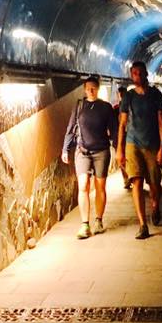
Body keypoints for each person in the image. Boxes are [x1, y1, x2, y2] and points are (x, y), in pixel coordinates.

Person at [62, 75, 118, 239]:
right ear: (85, 90)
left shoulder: (105, 107)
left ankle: (98, 221)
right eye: (88, 88)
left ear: (98, 89)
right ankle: (84, 224)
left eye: (93, 88)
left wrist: (118, 149)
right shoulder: (79, 106)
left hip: (101, 151)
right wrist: (65, 149)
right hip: (82, 151)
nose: (91, 91)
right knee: (83, 185)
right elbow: (71, 128)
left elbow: (113, 130)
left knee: (100, 186)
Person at [117, 61, 162, 239]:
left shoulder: (155, 95)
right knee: (136, 181)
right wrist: (120, 150)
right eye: (134, 73)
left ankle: (155, 205)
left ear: (146, 74)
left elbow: (161, 122)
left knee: (154, 184)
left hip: (152, 144)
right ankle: (142, 225)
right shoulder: (128, 97)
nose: (137, 76)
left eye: (139, 73)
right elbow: (122, 124)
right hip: (133, 144)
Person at [113, 85, 132, 190]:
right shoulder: (115, 108)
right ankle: (126, 178)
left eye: (123, 94)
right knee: (121, 160)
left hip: (130, 136)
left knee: (130, 158)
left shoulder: (131, 107)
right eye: (120, 95)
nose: (121, 96)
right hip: (119, 137)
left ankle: (131, 176)